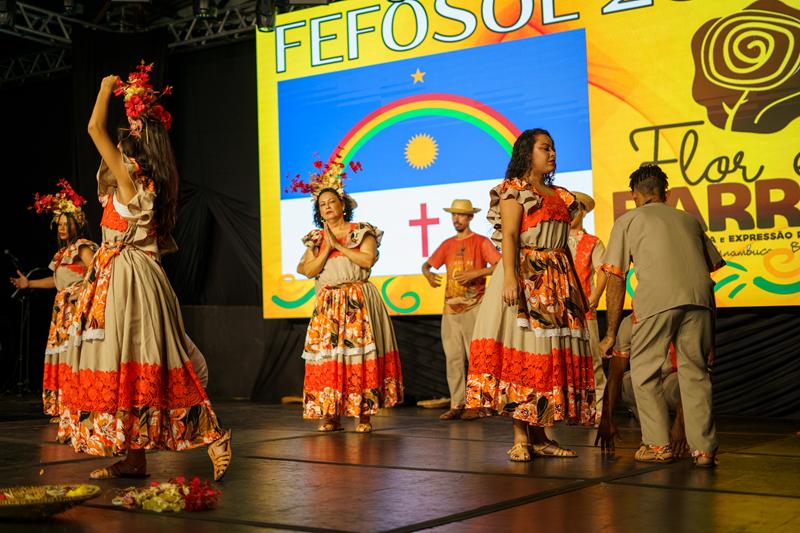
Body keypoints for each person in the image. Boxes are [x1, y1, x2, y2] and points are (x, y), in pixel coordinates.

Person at [56, 63, 231, 480]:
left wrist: (105, 88)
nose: (120, 142)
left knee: (152, 359)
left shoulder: (131, 179)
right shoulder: (140, 184)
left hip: (130, 279)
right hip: (122, 276)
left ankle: (214, 434)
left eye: (130, 133)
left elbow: (94, 129)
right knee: (128, 364)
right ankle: (135, 458)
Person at [464, 128, 595, 462]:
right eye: (545, 148)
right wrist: (510, 278)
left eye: (553, 148)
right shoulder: (515, 190)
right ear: (527, 153)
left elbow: (563, 245)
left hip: (556, 278)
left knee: (547, 357)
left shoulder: (560, 195)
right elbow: (510, 235)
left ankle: (541, 436)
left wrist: (576, 290)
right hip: (526, 275)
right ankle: (521, 437)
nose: (552, 154)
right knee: (524, 352)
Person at [599, 163, 724, 467]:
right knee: (696, 372)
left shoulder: (628, 220)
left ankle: (657, 445)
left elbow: (615, 276)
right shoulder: (689, 219)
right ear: (665, 193)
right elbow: (710, 269)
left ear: (634, 195)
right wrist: (712, 335)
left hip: (658, 297)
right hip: (699, 298)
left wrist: (611, 332)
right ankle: (704, 451)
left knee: (644, 370)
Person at [296, 153, 403, 433]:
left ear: (343, 205)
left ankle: (363, 415)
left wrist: (340, 247)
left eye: (332, 202)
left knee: (357, 356)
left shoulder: (361, 231)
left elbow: (367, 260)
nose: (327, 207)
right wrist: (327, 249)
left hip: (356, 300)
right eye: (322, 204)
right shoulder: (317, 238)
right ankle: (331, 414)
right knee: (330, 358)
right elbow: (306, 269)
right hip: (329, 304)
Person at [10, 180, 98, 419]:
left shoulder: (82, 247)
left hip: (77, 309)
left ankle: (79, 406)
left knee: (75, 356)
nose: (61, 228)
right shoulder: (62, 254)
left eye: (65, 224)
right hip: (62, 312)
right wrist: (29, 284)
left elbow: (98, 272)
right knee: (63, 356)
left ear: (77, 223)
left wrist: (82, 294)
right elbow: (56, 281)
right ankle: (65, 407)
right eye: (58, 224)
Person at [422, 199, 501, 421]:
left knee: (475, 357)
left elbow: (500, 264)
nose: (456, 219)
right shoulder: (448, 244)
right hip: (450, 309)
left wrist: (476, 273)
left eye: (461, 215)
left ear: (470, 217)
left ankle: (477, 404)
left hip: (474, 307)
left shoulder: (480, 241)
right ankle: (457, 403)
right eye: (454, 215)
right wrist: (428, 274)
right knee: (453, 358)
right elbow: (427, 264)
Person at [594, 314, 687, 458]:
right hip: (651, 382)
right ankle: (655, 437)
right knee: (626, 383)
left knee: (686, 384)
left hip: (674, 379)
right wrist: (607, 417)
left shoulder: (675, 316)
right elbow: (615, 373)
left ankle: (688, 437)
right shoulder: (630, 323)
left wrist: (680, 424)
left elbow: (694, 372)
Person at [567, 191, 608, 423]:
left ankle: (599, 408)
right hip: (559, 312)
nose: (571, 213)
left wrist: (595, 297)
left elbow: (603, 271)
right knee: (563, 360)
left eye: (575, 208)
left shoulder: (593, 242)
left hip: (584, 311)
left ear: (583, 212)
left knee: (592, 360)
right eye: (568, 208)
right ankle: (568, 408)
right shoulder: (556, 241)